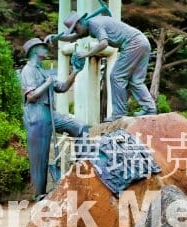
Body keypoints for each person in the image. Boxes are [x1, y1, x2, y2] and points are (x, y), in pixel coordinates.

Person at [47, 11, 157, 119]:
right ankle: (149, 108)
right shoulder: (88, 26)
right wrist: (56, 37)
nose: (76, 32)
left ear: (80, 22)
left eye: (76, 28)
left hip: (133, 43)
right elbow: (73, 37)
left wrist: (87, 54)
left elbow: (103, 43)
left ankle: (119, 113)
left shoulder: (94, 24)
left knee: (116, 76)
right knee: (136, 80)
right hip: (142, 42)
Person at [20, 37, 89, 201]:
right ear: (35, 50)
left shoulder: (42, 70)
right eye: (43, 47)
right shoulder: (27, 70)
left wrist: (76, 70)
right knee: (40, 158)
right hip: (35, 114)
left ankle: (82, 169)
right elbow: (31, 96)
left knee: (81, 128)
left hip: (50, 113)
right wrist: (47, 83)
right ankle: (40, 195)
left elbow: (63, 87)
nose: (46, 50)